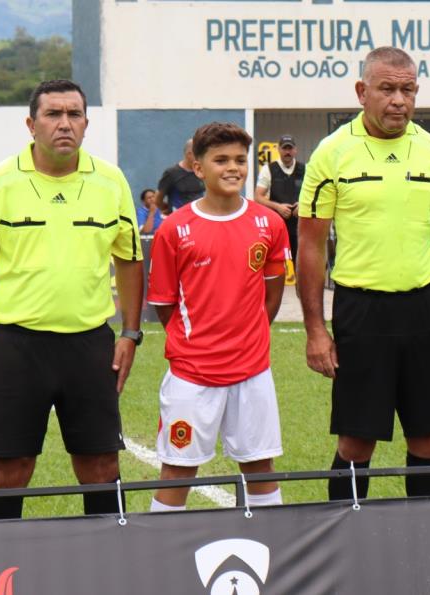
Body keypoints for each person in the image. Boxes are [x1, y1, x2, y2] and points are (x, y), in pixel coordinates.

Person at [0, 79, 144, 520]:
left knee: (100, 466)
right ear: (31, 124)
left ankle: (107, 569)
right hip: (15, 347)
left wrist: (130, 333)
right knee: (10, 470)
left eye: (74, 115)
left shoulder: (111, 181)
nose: (65, 124)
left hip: (90, 345)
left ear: (86, 124)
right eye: (53, 114)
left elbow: (131, 261)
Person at [297, 46, 430, 501]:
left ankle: (429, 540)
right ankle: (344, 542)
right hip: (362, 311)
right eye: (387, 89)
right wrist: (317, 330)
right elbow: (311, 246)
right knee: (357, 441)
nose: (399, 100)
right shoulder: (332, 153)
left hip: (423, 309)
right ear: (362, 92)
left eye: (408, 90)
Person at [146, 122, 289, 512]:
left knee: (260, 468)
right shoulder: (174, 230)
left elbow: (271, 296)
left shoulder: (270, 223)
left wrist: (247, 337)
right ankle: (161, 564)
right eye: (220, 159)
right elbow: (163, 304)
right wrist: (198, 342)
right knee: (177, 470)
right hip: (192, 375)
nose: (233, 168)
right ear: (198, 168)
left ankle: (270, 560)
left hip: (253, 371)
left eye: (240, 160)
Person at [255, 134, 305, 261]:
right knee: (275, 263)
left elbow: (315, 194)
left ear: (295, 150)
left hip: (299, 227)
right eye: (284, 148)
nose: (287, 152)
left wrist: (303, 205)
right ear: (279, 149)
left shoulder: (305, 169)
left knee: (301, 264)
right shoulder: (269, 169)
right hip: (276, 225)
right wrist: (278, 207)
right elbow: (258, 197)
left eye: (290, 148)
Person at [155, 139, 205, 212]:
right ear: (189, 154)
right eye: (199, 154)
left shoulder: (202, 170)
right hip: (179, 218)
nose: (201, 157)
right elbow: (158, 199)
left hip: (198, 216)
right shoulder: (171, 173)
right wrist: (168, 209)